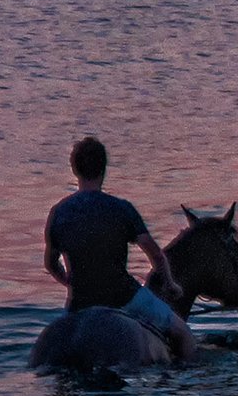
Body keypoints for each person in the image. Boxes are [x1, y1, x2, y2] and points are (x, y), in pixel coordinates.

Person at [43, 136, 198, 360]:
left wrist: (70, 281)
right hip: (124, 296)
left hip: (79, 303)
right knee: (183, 334)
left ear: (75, 170)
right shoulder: (121, 209)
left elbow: (50, 263)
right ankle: (184, 386)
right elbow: (155, 254)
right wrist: (171, 284)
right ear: (104, 169)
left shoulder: (59, 212)